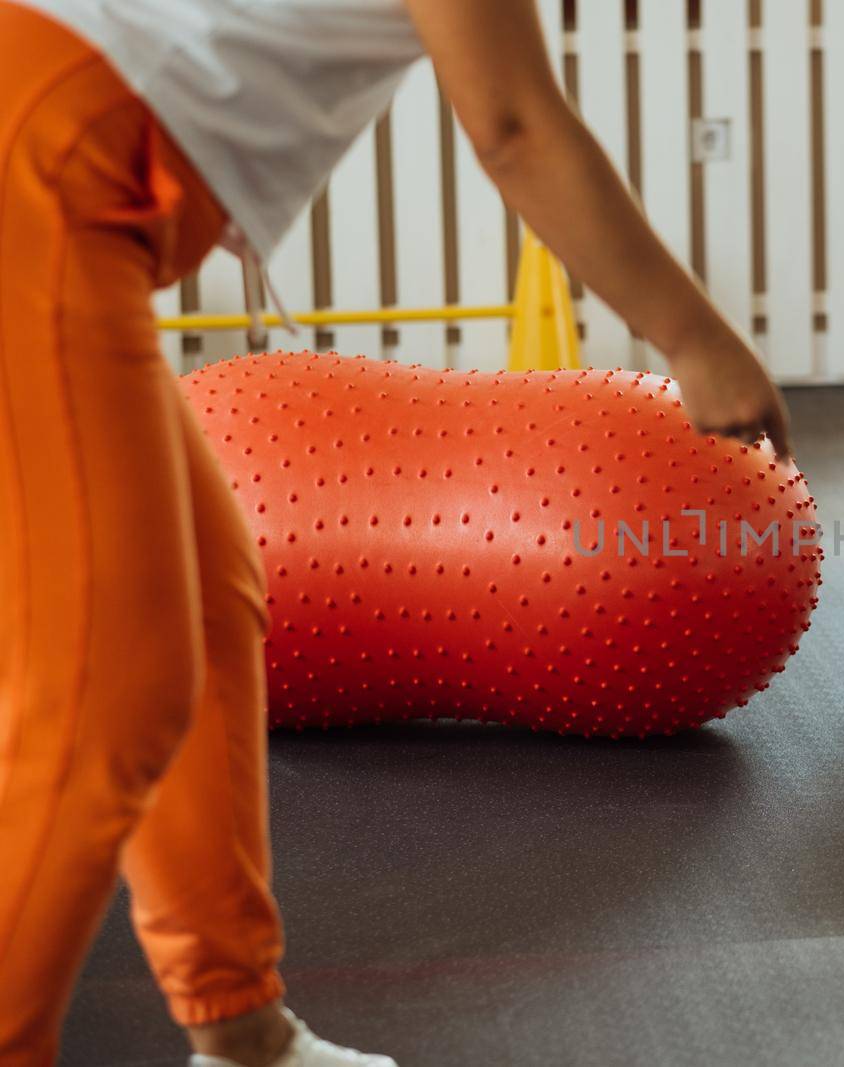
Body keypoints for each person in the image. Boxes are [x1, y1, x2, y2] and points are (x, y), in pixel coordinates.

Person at [0, 0, 792, 1063]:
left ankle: (242, 1029)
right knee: (110, 681)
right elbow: (512, 122)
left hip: (63, 172)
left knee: (204, 601)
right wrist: (697, 338)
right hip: (37, 162)